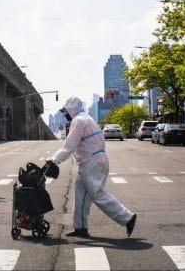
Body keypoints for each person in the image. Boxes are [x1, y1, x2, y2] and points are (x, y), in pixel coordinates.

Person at [48, 97, 136, 238]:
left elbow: (69, 146)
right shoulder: (85, 118)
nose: (65, 115)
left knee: (97, 194)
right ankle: (80, 228)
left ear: (71, 109)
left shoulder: (79, 121)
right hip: (90, 161)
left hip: (92, 162)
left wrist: (53, 160)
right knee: (80, 195)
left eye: (66, 111)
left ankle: (127, 217)